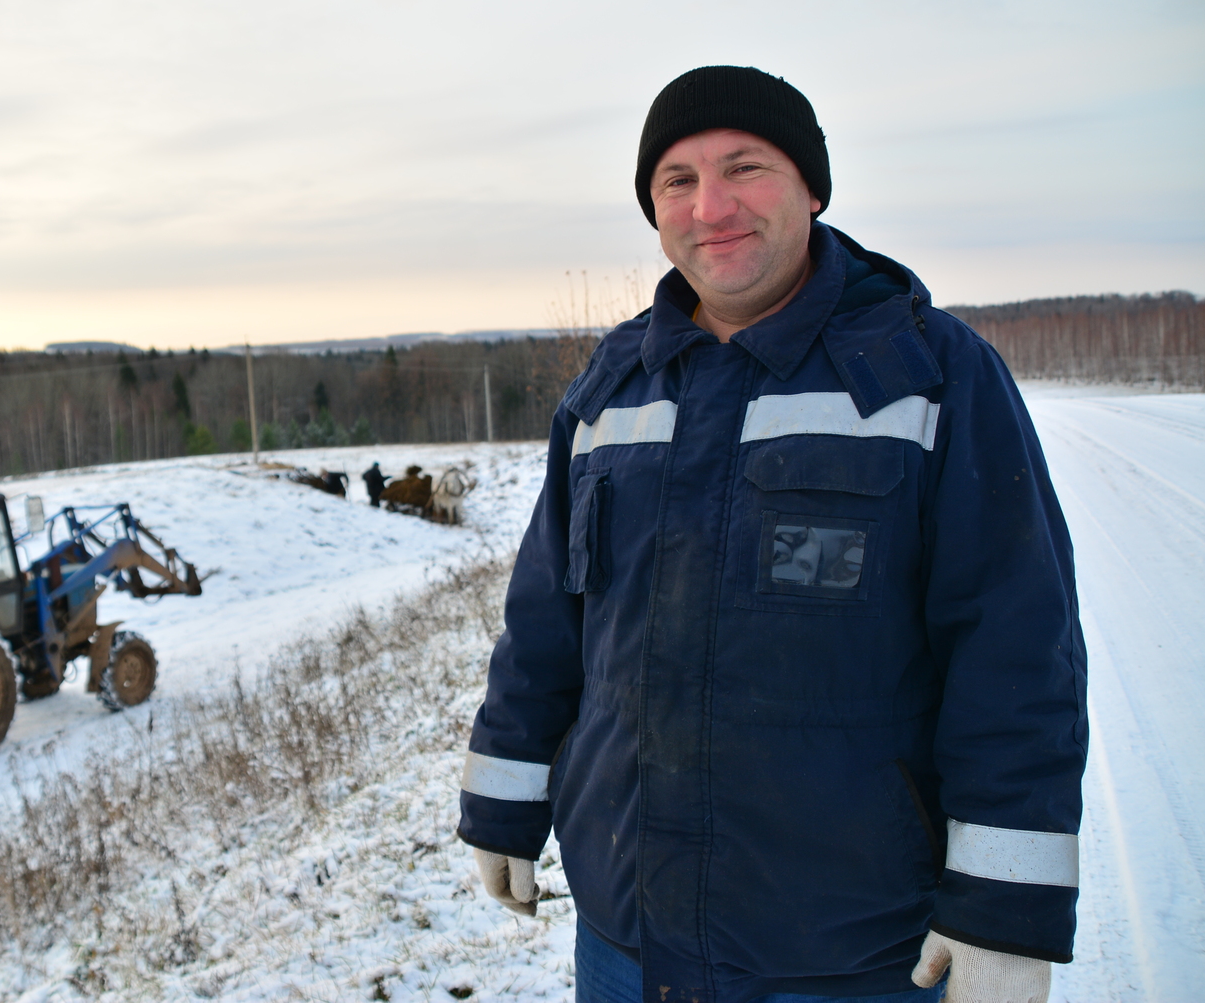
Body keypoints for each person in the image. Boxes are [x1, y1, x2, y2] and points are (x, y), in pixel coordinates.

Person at [456, 66, 1086, 1003]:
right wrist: (504, 801)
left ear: (812, 189)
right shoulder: (613, 387)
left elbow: (1016, 646)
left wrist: (1005, 908)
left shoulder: (929, 373)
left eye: (744, 167)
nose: (711, 207)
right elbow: (549, 618)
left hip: (852, 955)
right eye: (678, 179)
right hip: (628, 942)